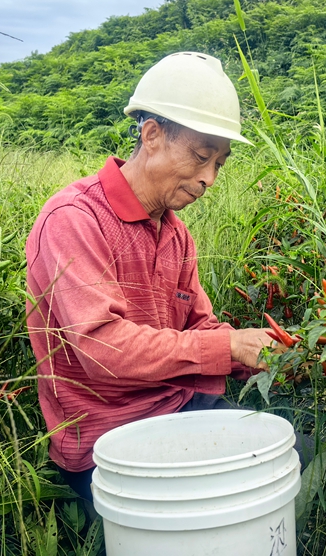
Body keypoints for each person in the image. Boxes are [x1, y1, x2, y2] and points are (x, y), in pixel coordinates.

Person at [25, 52, 300, 501]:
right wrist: (227, 345)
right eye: (201, 156)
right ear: (151, 135)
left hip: (179, 408)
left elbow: (200, 327)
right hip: (105, 440)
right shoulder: (74, 219)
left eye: (220, 164)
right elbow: (101, 348)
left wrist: (268, 353)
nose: (209, 178)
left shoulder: (175, 233)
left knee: (295, 457)